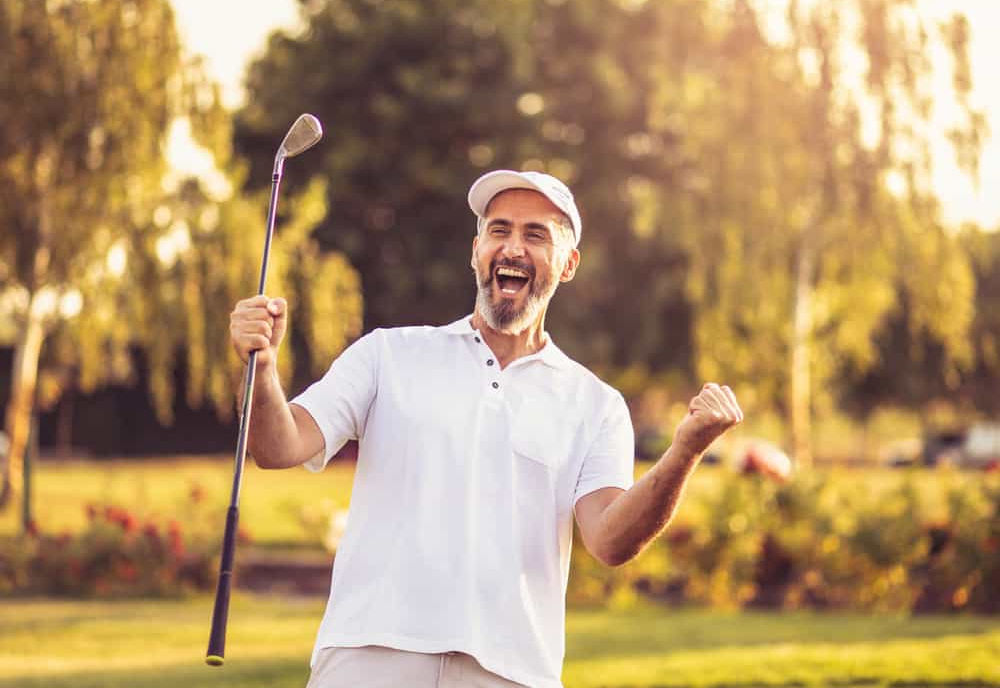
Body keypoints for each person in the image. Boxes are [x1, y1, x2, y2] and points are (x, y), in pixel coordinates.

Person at [229, 169, 743, 688]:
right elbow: (279, 445)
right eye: (499, 231)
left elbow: (610, 541)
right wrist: (263, 368)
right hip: (370, 656)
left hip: (511, 672)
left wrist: (684, 452)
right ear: (477, 251)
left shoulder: (596, 405)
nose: (512, 247)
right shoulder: (389, 354)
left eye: (535, 235)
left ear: (568, 265)